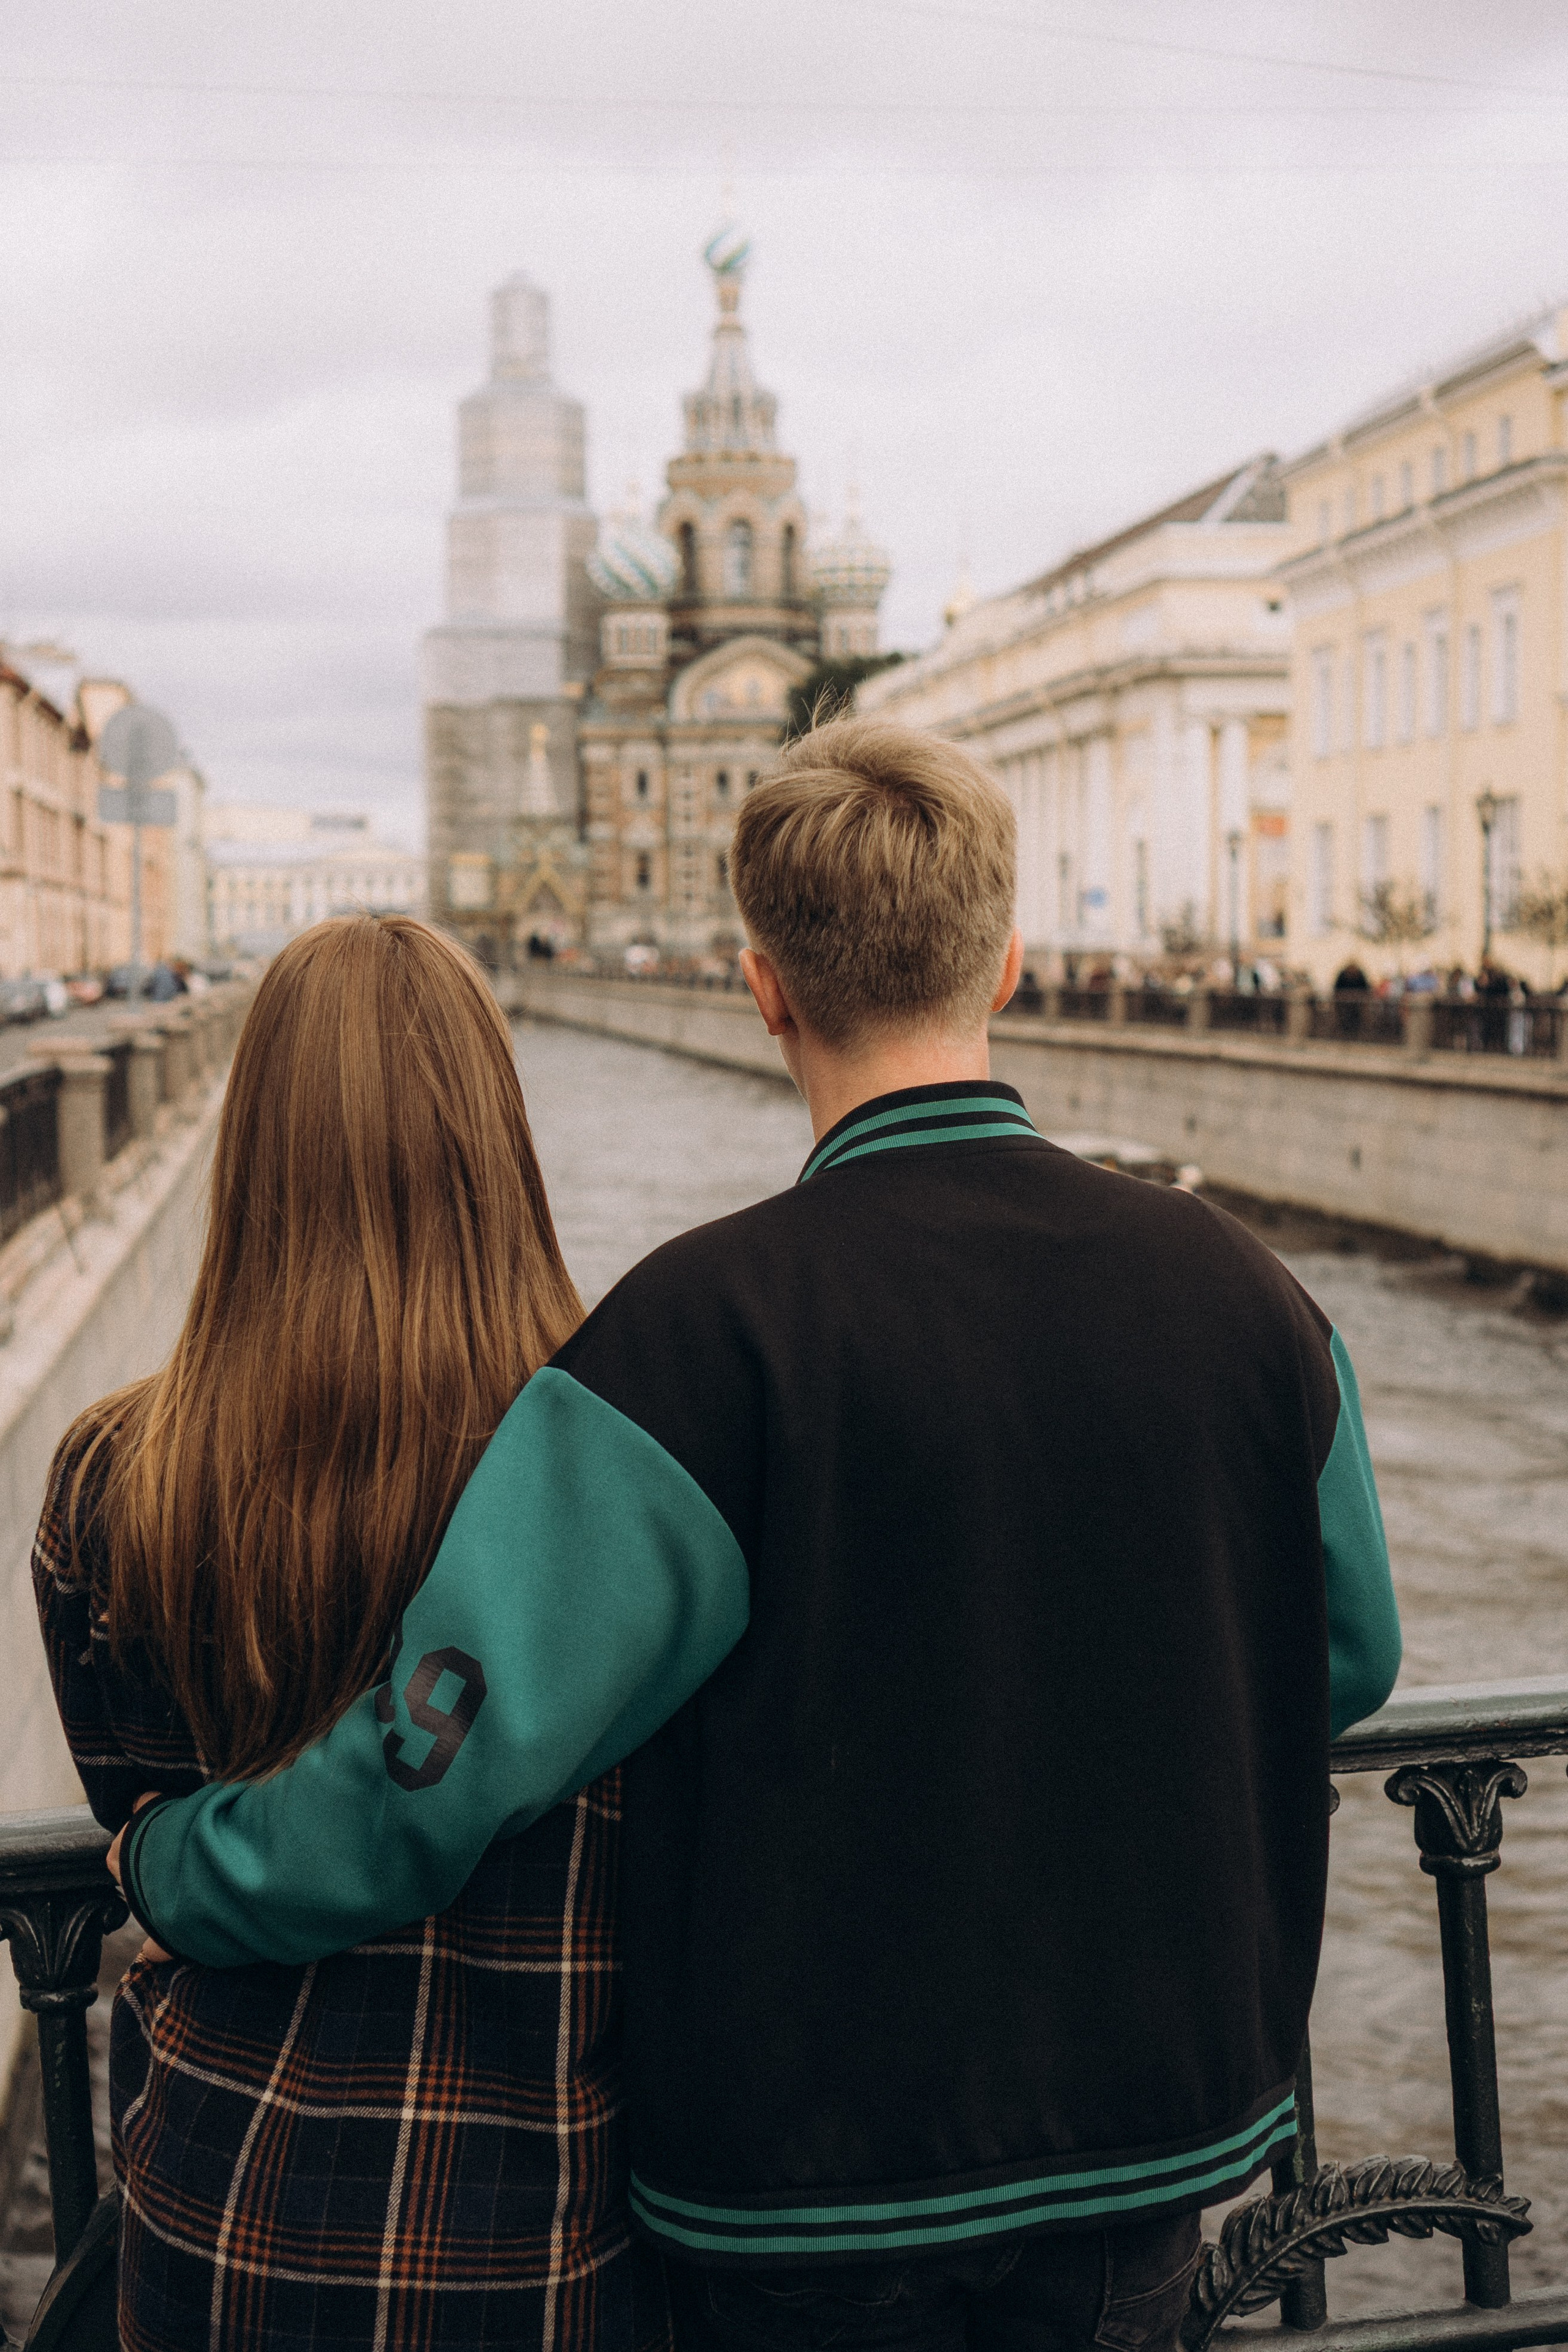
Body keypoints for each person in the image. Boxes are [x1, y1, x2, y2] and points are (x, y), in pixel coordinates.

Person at [115, 722, 1401, 2352]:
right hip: (1158, 2133)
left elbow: (438, 1764)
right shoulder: (1257, 1304)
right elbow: (1345, 1655)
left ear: (763, 988)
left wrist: (177, 1867)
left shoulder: (698, 1340)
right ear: (1006, 961)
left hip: (811, 2182)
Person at [33, 916, 672, 2352]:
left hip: (221, 2216)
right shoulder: (619, 1472)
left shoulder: (110, 1480)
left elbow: (144, 1818)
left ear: (250, 1147)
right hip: (545, 2233)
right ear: (494, 1137)